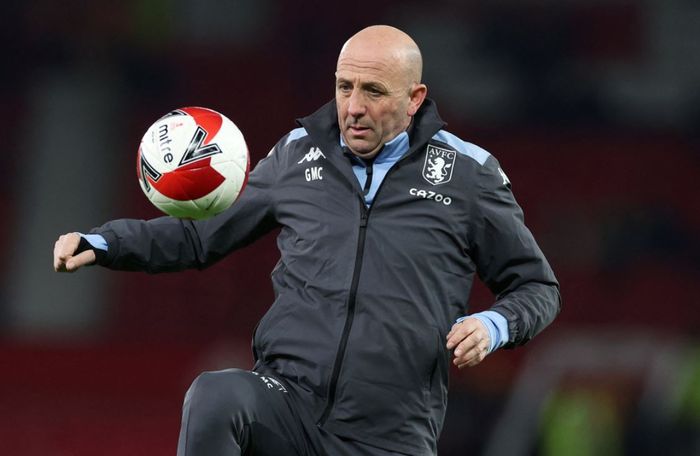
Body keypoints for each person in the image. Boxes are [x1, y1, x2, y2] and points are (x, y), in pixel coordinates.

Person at [54, 25, 560, 456]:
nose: (353, 107)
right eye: (344, 87)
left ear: (414, 99)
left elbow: (537, 287)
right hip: (290, 402)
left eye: (373, 91)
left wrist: (494, 325)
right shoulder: (296, 156)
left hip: (391, 431)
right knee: (217, 395)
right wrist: (104, 243)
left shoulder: (468, 174)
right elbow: (198, 235)